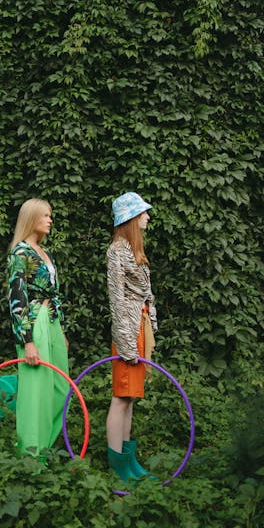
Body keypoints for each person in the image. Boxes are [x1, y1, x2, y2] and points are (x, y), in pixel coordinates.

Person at [7, 198, 69, 459]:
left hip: (52, 320)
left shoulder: (45, 252)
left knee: (59, 388)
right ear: (32, 218)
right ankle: (31, 459)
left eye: (50, 215)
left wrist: (62, 328)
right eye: (45, 215)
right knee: (36, 390)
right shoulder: (20, 253)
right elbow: (16, 297)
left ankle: (46, 449)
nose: (50, 219)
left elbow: (54, 293)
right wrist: (27, 340)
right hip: (34, 322)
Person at [105, 192, 158, 481]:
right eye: (142, 213)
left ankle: (129, 461)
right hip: (128, 331)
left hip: (139, 327)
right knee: (121, 398)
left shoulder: (133, 250)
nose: (147, 217)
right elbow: (116, 297)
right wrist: (125, 341)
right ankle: (117, 467)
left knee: (131, 398)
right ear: (130, 219)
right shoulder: (116, 251)